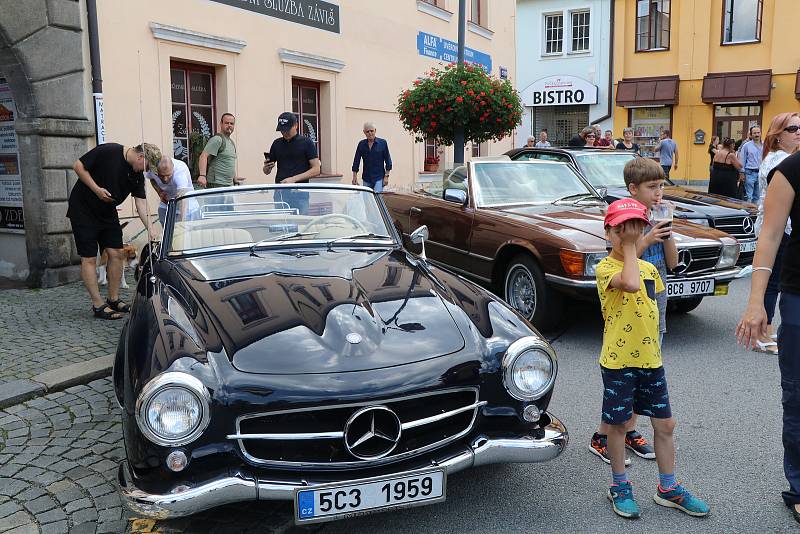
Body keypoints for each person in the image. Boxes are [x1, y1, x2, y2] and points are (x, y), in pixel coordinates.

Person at [598, 198, 709, 519]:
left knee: (666, 424)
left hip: (650, 360)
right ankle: (620, 486)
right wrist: (633, 246)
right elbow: (630, 285)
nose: (629, 235)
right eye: (622, 230)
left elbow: (654, 309)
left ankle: (668, 488)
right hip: (618, 362)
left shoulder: (648, 269)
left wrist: (657, 347)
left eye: (635, 228)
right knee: (618, 426)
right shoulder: (606, 268)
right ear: (608, 233)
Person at [590, 158, 678, 466]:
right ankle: (606, 435)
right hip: (626, 304)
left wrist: (668, 233)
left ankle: (629, 430)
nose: (658, 192)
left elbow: (672, 263)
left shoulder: (657, 216)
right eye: (652, 187)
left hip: (652, 299)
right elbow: (627, 267)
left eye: (661, 186)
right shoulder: (624, 223)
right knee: (621, 382)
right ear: (633, 189)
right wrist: (644, 238)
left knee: (644, 368)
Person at [737, 143, 800, 527]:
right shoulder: (791, 168)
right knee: (798, 396)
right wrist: (756, 302)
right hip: (798, 297)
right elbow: (771, 235)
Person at [68, 143, 161, 320]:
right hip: (83, 209)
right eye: (147, 166)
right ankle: (98, 305)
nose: (145, 171)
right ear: (141, 157)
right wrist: (96, 190)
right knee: (88, 257)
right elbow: (78, 166)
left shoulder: (137, 175)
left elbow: (140, 203)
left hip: (107, 211)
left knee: (117, 253)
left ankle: (113, 299)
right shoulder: (109, 150)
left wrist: (151, 228)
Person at [751, 113, 800, 355]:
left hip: (779, 226)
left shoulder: (779, 157)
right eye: (792, 128)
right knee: (773, 281)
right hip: (779, 228)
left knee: (774, 280)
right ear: (778, 135)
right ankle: (764, 332)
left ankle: (766, 330)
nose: (798, 132)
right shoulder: (781, 162)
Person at [263, 112, 321, 214]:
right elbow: (266, 171)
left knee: (301, 226)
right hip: (280, 193)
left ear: (296, 125)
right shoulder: (277, 144)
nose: (284, 133)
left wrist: (294, 179)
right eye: (282, 130)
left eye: (287, 130)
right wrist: (267, 167)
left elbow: (316, 169)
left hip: (300, 193)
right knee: (281, 227)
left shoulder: (306, 143)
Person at [146, 156, 195, 226]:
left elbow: (183, 198)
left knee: (181, 234)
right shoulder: (152, 169)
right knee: (167, 233)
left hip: (186, 208)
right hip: (167, 205)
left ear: (173, 169)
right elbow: (152, 178)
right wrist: (159, 192)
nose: (165, 179)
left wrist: (181, 223)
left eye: (168, 175)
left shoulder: (180, 172)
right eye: (162, 176)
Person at [198, 113, 241, 189]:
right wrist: (202, 176)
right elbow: (203, 156)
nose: (229, 125)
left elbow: (229, 161)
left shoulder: (231, 142)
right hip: (216, 184)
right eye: (226, 123)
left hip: (229, 185)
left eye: (232, 123)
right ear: (221, 124)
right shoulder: (217, 139)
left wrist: (234, 178)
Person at [352, 122, 392, 193]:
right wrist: (354, 176)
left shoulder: (382, 143)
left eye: (371, 131)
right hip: (366, 178)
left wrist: (386, 176)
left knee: (377, 199)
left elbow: (388, 160)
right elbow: (356, 160)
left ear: (375, 130)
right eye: (367, 131)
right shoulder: (361, 144)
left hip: (379, 178)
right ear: (364, 132)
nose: (370, 133)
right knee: (366, 199)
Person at [738, 125, 763, 203]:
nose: (757, 134)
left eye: (758, 132)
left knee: (757, 196)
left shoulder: (765, 145)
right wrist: (742, 173)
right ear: (751, 134)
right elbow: (742, 159)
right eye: (754, 133)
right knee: (749, 196)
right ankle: (748, 214)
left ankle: (754, 214)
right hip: (749, 173)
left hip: (761, 173)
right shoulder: (746, 146)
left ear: (761, 133)